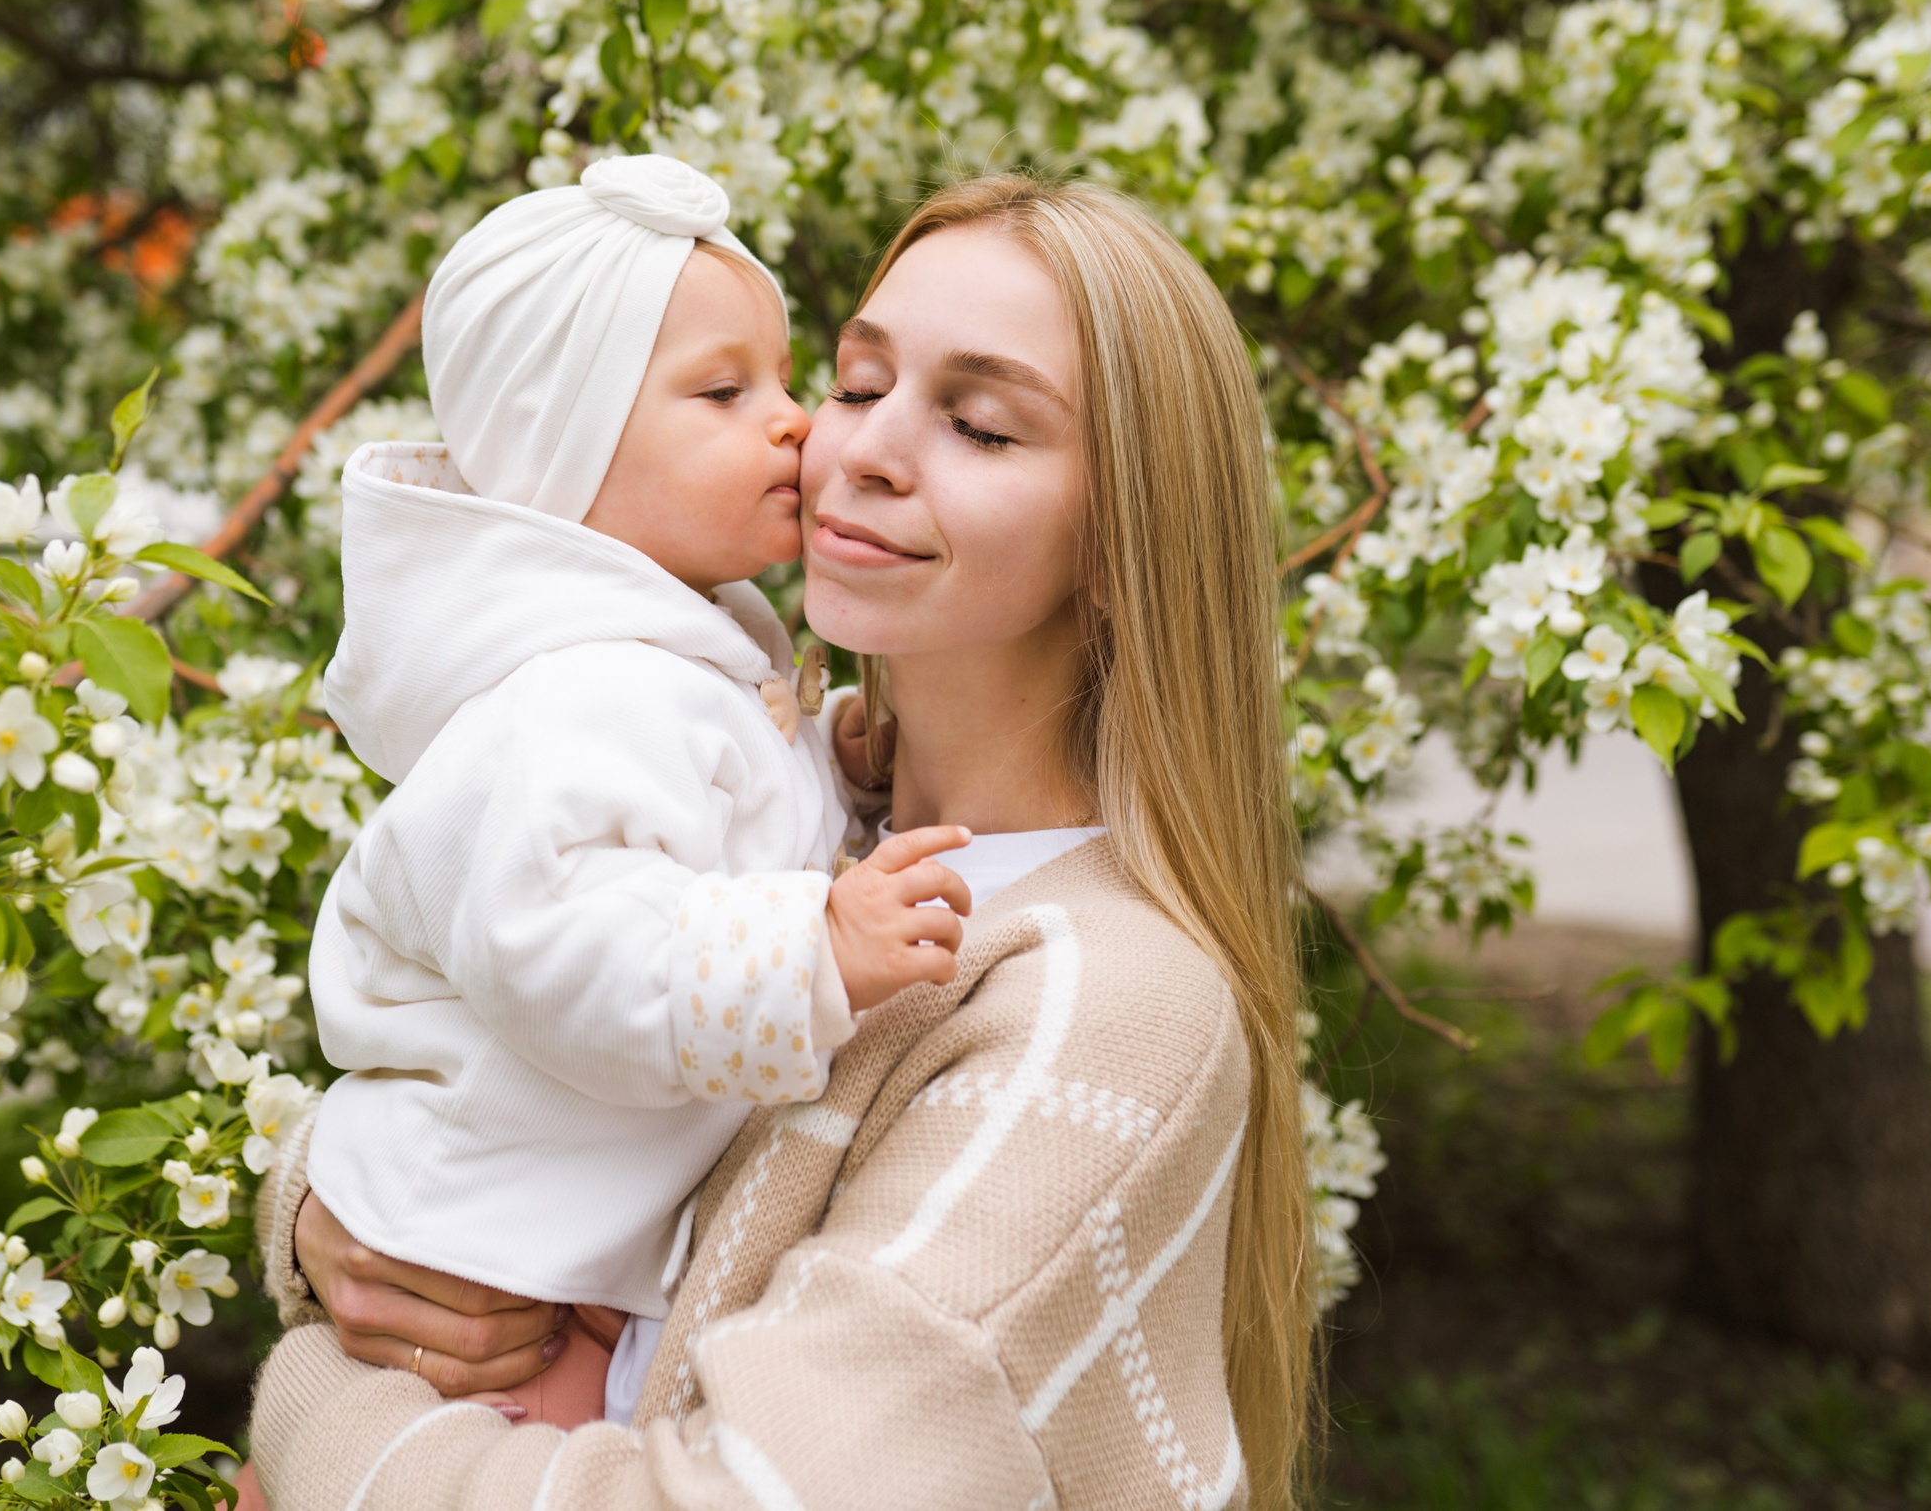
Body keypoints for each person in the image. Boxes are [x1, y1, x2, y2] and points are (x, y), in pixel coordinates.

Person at [251, 174, 1312, 1508]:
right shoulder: (772, 805)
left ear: (1121, 538)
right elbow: (517, 1005)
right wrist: (326, 1218)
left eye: (981, 426)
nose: (849, 444)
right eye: (861, 383)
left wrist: (318, 1411)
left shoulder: (1107, 1011)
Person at [304, 154, 972, 1426]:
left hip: (552, 1238)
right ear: (567, 454)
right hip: (486, 1275)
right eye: (723, 391)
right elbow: (566, 944)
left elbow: (703, 816)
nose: (792, 420)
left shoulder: (673, 648)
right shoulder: (574, 695)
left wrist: (825, 757)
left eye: (785, 379)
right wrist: (809, 948)